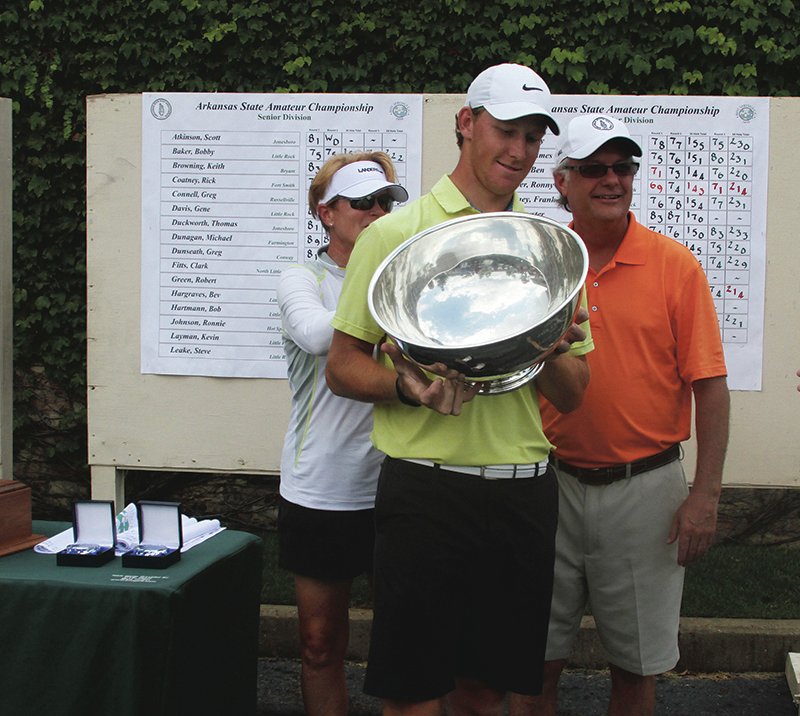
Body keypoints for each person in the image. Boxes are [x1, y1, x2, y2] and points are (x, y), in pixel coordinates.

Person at [325, 63, 593, 715]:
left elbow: (576, 390)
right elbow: (342, 364)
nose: (519, 151)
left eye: (533, 137)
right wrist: (409, 390)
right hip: (427, 489)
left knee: (484, 692)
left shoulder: (551, 251)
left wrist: (550, 349)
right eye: (506, 131)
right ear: (467, 124)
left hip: (521, 489)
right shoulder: (393, 235)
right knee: (413, 694)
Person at [510, 114, 730, 716]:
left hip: (646, 492)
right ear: (562, 182)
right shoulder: (542, 264)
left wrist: (705, 496)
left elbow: (710, 386)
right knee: (533, 667)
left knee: (636, 671)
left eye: (623, 167)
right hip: (546, 484)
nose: (612, 180)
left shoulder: (674, 266)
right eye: (594, 169)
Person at [276, 151, 408, 716]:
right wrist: (381, 298)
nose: (377, 212)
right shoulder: (300, 278)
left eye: (385, 203)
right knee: (319, 644)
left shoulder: (404, 279)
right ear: (326, 213)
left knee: (406, 645)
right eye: (363, 203)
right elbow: (312, 335)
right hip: (321, 488)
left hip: (400, 482)